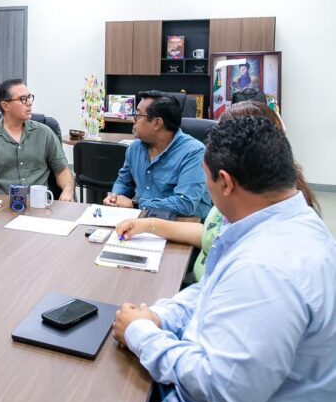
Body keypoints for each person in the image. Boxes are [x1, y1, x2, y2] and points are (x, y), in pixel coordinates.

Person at [113, 116, 336, 402]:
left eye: (207, 180)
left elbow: (224, 392)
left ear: (226, 183)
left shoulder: (266, 269)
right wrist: (161, 315)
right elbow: (212, 288)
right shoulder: (287, 223)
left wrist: (142, 334)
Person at [115, 101, 318, 282]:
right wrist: (147, 225)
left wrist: (141, 323)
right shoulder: (255, 206)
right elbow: (210, 234)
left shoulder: (262, 263)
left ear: (226, 180)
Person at [105, 90, 211, 219]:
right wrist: (115, 198)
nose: (133, 120)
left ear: (157, 123)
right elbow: (124, 182)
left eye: (138, 115)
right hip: (142, 221)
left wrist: (136, 203)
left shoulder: (194, 152)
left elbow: (185, 204)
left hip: (181, 225)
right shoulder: (135, 148)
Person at [0, 79, 74, 200]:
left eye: (30, 97)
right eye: (23, 99)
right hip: (1, 205)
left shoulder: (45, 133)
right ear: (5, 105)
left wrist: (68, 190)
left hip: (38, 205)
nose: (30, 102)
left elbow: (62, 171)